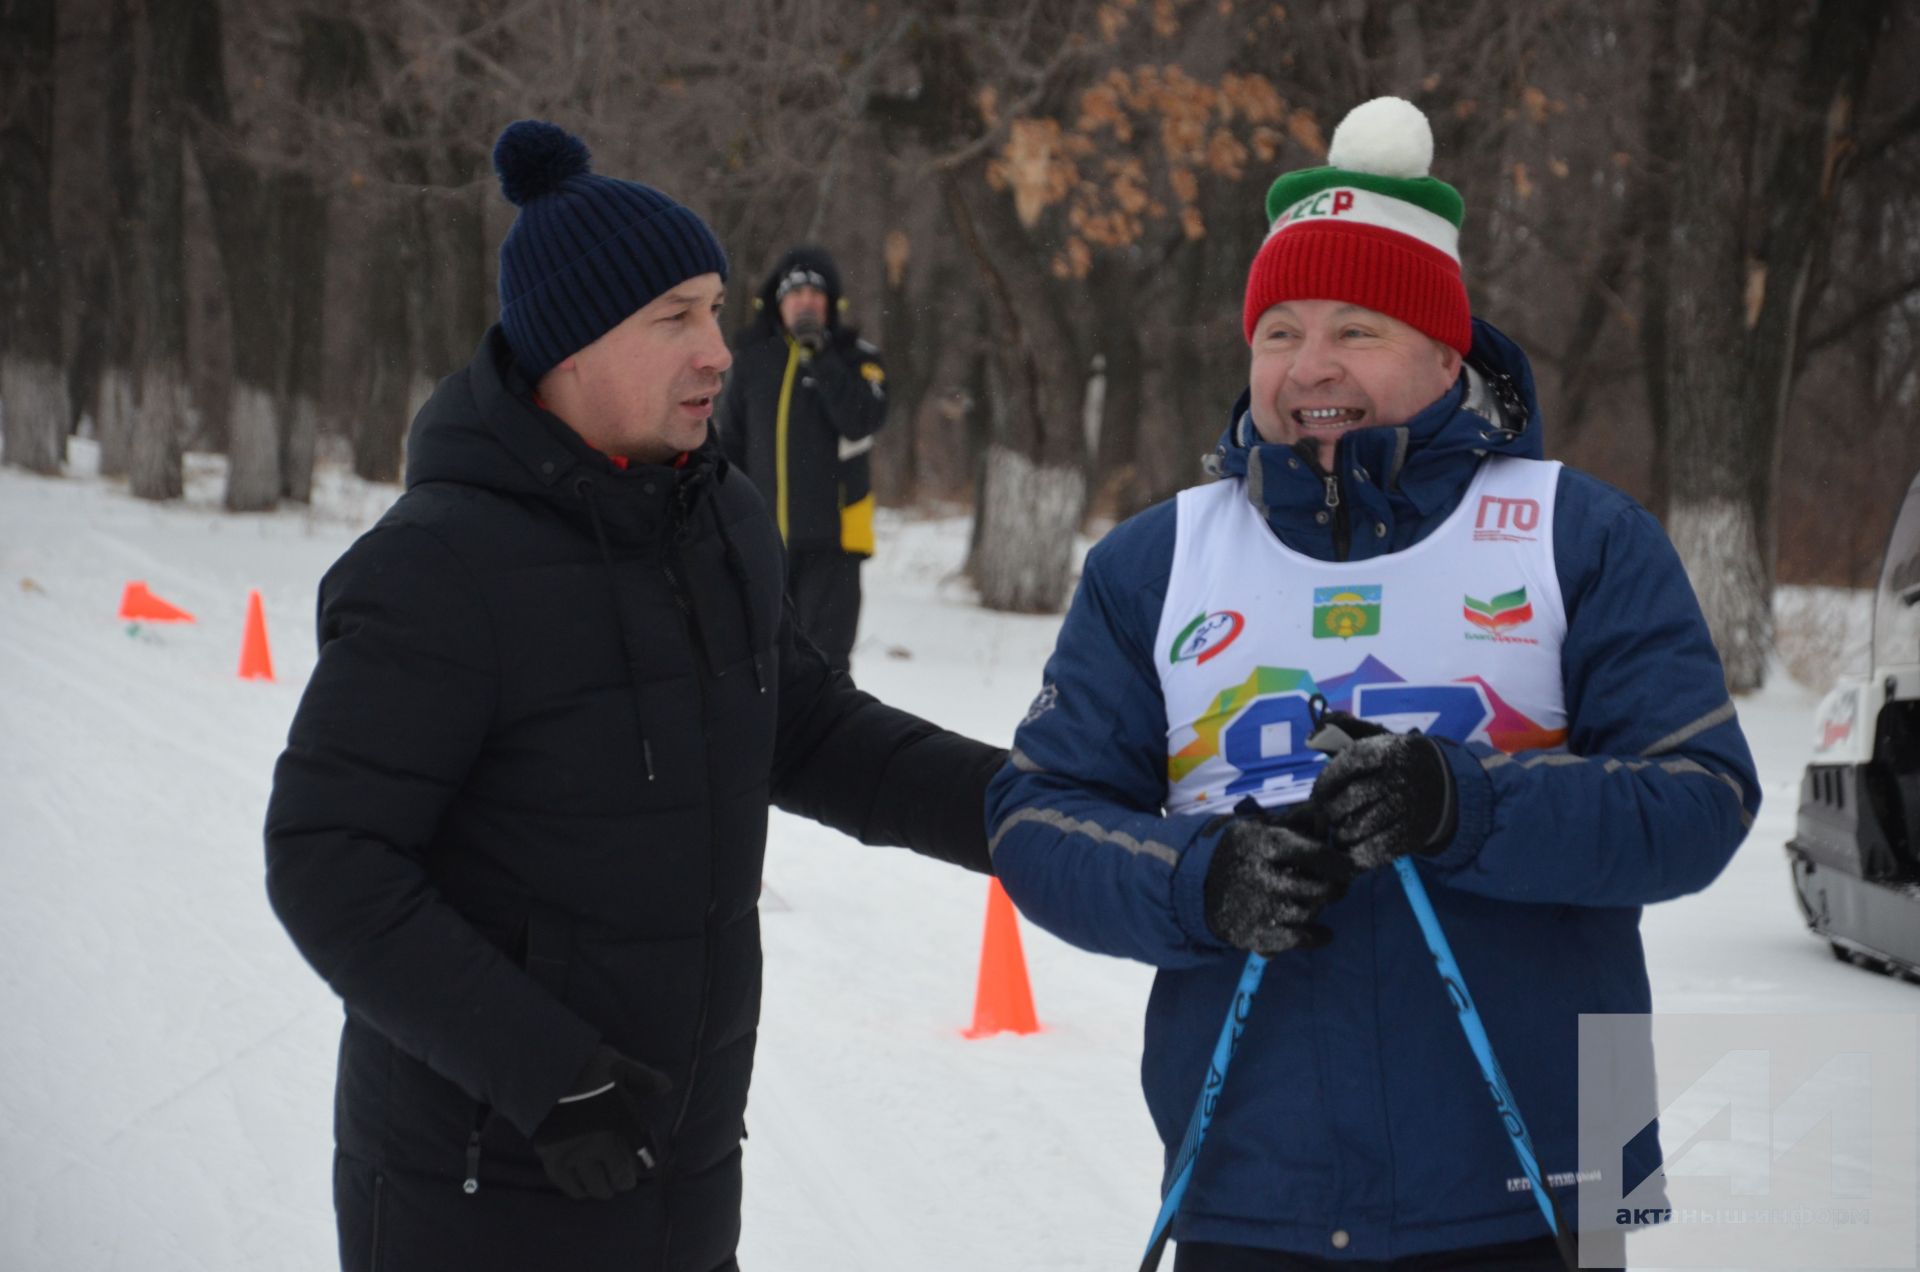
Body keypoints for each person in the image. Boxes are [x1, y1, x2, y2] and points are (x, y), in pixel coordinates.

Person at [986, 97, 1759, 1271]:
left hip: (1543, 1179)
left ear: (1448, 353)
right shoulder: (1157, 562)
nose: (1312, 369)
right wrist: (1201, 882)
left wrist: (1467, 807)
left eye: (1359, 328)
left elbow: (1702, 800)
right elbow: (1037, 818)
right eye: (1279, 331)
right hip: (1254, 1182)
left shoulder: (1575, 534)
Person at [263, 120, 1002, 1272]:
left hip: (681, 1173)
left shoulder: (716, 516)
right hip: (480, 1185)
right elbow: (328, 856)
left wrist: (1026, 808)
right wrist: (545, 1074)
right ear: (569, 350)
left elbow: (809, 731)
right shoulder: (438, 567)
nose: (715, 349)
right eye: (675, 319)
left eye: (712, 309)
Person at [719, 245, 886, 672]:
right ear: (778, 303)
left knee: (825, 664)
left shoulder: (858, 358)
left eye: (816, 294)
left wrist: (821, 357)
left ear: (832, 304)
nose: (806, 302)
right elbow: (731, 445)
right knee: (763, 656)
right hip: (763, 538)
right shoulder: (754, 360)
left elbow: (862, 420)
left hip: (835, 539)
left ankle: (832, 741)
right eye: (796, 294)